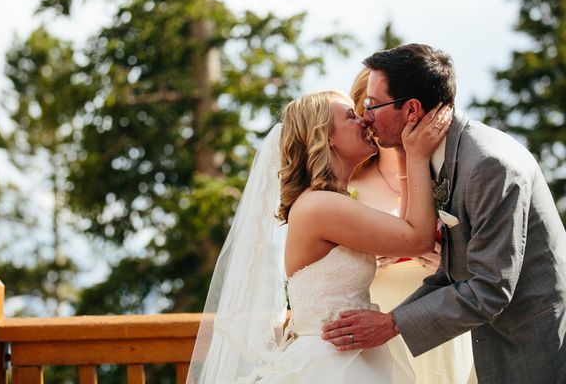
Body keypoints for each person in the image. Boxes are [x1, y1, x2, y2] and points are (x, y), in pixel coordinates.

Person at [322, 44, 566, 383]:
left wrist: (392, 325)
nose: (365, 116)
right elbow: (453, 273)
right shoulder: (443, 154)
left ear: (411, 110)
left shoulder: (487, 165)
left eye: (373, 105)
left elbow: (491, 287)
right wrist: (391, 320)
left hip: (527, 347)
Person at [186, 89, 452, 384]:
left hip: (350, 357)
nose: (364, 120)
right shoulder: (320, 205)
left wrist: (401, 153)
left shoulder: (329, 203)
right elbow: (417, 239)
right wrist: (417, 154)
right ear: (326, 137)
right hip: (331, 366)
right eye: (351, 116)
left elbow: (405, 230)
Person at [349, 67, 476, 384]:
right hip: (375, 318)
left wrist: (450, 261)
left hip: (440, 318)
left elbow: (493, 258)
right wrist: (364, 261)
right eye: (372, 105)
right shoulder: (346, 184)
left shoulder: (450, 174)